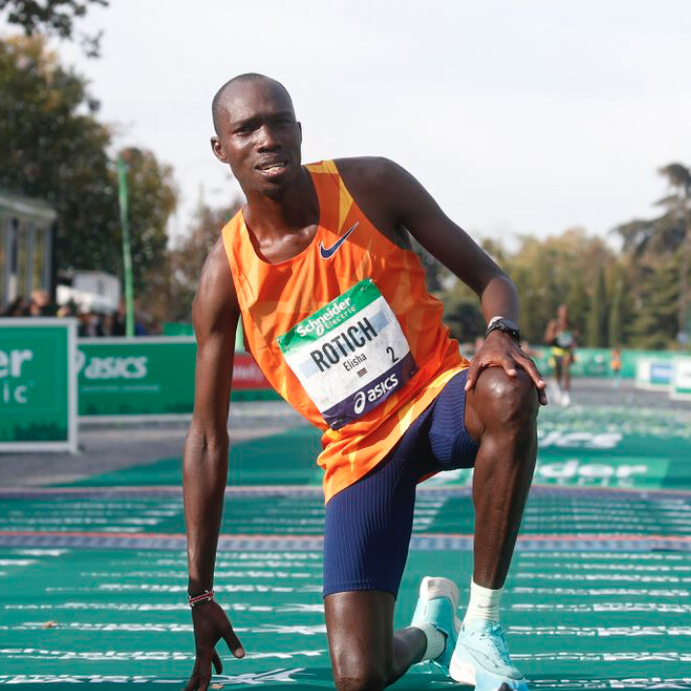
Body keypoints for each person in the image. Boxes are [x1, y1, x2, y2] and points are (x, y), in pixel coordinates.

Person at [182, 73, 547, 691]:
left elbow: (491, 278)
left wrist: (500, 332)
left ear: (299, 130)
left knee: (507, 387)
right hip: (359, 451)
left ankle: (483, 628)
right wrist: (200, 592)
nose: (267, 138)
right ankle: (435, 634)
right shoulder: (225, 274)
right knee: (359, 676)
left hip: (437, 402)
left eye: (279, 122)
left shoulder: (372, 185)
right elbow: (206, 438)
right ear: (221, 148)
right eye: (247, 129)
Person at [545, 304, 576, 407]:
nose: (564, 314)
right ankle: (556, 390)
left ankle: (566, 395)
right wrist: (555, 335)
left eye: (566, 312)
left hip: (567, 352)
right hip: (556, 352)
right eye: (562, 312)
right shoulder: (554, 324)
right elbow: (547, 338)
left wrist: (573, 342)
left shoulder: (570, 325)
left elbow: (573, 337)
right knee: (557, 375)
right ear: (558, 313)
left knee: (567, 372)